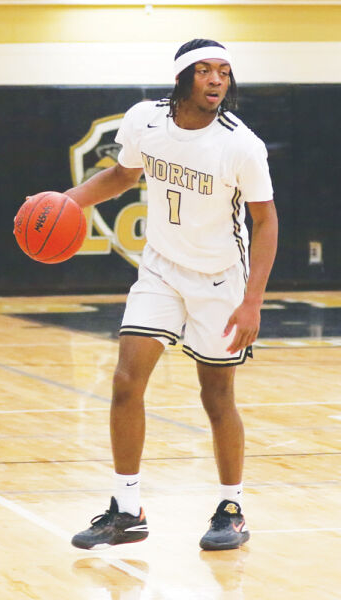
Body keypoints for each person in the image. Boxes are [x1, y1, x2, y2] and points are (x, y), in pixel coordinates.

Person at [58, 38, 277, 550]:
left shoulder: (241, 144)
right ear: (182, 78)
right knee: (125, 382)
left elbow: (265, 221)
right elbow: (122, 175)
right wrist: (62, 201)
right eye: (205, 71)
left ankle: (231, 509)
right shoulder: (144, 121)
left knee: (216, 396)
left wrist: (252, 300)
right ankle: (127, 510)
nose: (217, 80)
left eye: (224, 71)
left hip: (219, 279)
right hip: (159, 269)